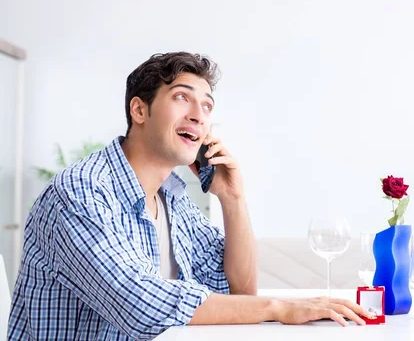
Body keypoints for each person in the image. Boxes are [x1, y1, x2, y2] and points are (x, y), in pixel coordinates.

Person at [8, 52, 373, 340]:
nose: (198, 116)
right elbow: (141, 305)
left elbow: (238, 292)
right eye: (182, 98)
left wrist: (232, 198)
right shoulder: (81, 194)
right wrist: (279, 307)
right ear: (139, 110)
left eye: (208, 105)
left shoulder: (172, 198)